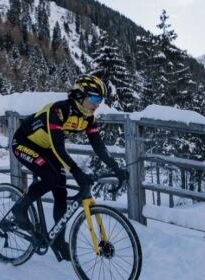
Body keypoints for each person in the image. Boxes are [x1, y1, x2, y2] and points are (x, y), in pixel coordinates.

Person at [9, 75, 128, 261]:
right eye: (95, 98)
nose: (98, 104)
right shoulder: (59, 110)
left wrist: (116, 168)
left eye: (101, 100)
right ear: (81, 95)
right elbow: (59, 148)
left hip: (46, 148)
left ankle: (57, 240)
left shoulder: (88, 118)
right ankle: (20, 209)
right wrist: (77, 172)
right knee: (51, 178)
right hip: (24, 143)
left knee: (61, 191)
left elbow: (99, 147)